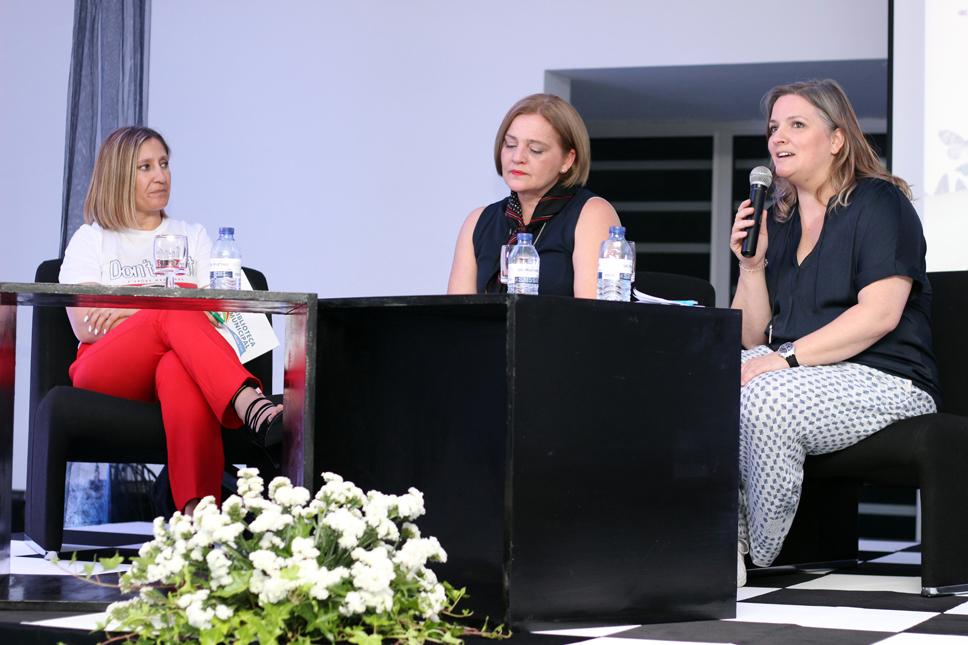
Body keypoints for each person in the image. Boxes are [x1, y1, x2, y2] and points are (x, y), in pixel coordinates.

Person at [730, 79, 939, 586]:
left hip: (888, 381)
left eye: (797, 125)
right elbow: (751, 335)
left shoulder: (881, 203)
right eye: (773, 127)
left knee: (767, 396)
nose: (779, 137)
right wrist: (751, 266)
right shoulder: (775, 220)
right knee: (699, 375)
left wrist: (785, 360)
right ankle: (684, 534)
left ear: (837, 139)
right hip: (795, 373)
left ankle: (746, 551)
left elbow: (880, 314)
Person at [59, 126, 283, 516]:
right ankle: (249, 402)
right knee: (173, 308)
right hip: (106, 369)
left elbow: (214, 315)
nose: (160, 175)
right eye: (145, 167)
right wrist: (154, 309)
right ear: (118, 176)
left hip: (176, 366)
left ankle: (198, 519)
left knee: (178, 363)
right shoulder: (91, 239)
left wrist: (126, 310)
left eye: (164, 164)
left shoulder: (192, 236)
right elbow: (86, 326)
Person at [447, 93, 620, 297]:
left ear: (567, 160)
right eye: (510, 145)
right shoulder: (478, 220)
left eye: (535, 150)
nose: (517, 157)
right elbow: (457, 314)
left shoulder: (591, 214)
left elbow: (595, 317)